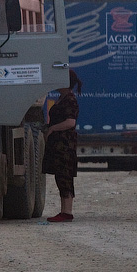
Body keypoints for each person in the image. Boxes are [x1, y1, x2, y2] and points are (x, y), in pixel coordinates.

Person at [43, 69, 82, 223]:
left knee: (65, 176)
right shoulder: (62, 98)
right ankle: (64, 210)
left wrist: (53, 128)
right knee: (61, 176)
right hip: (58, 144)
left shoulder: (70, 99)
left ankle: (67, 211)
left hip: (65, 145)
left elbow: (70, 122)